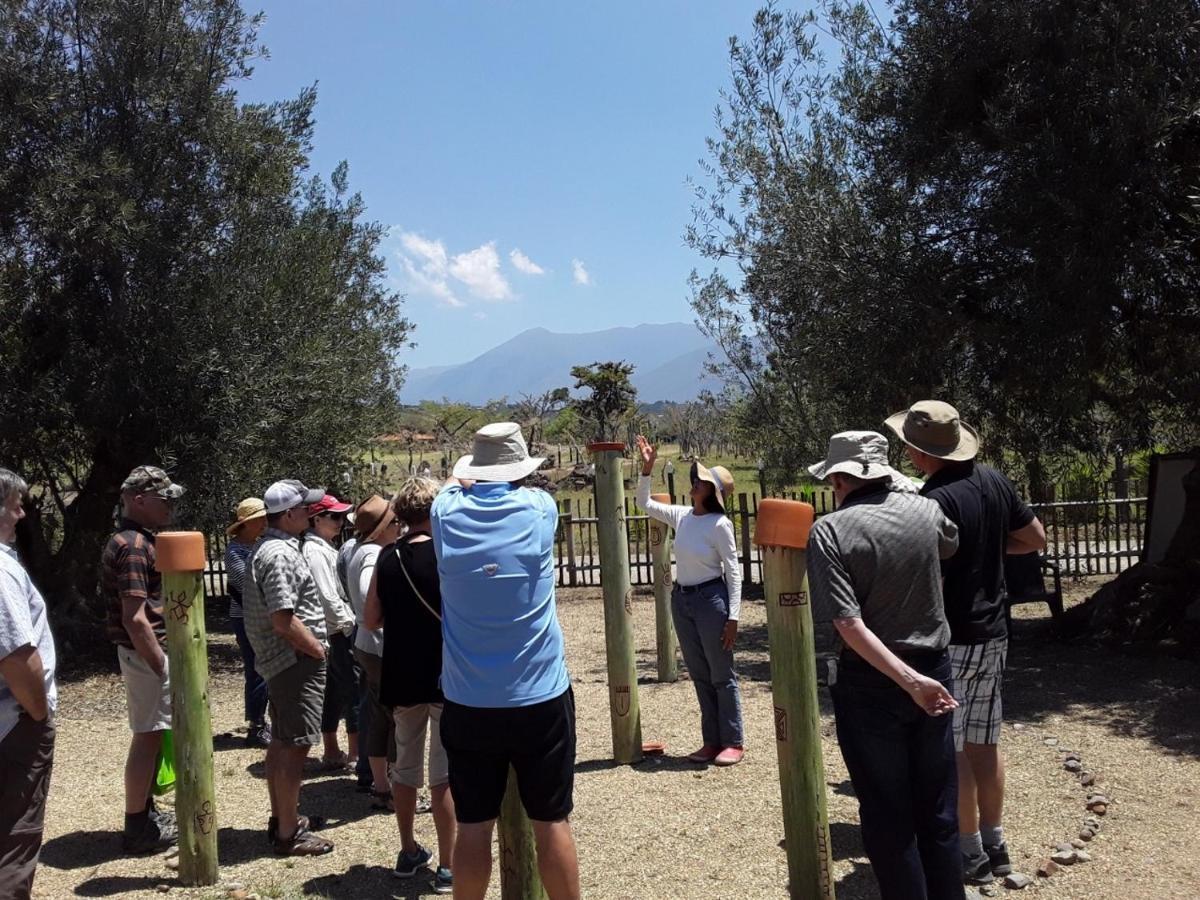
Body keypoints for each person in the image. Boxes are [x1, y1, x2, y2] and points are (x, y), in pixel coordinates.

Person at [886, 401, 1046, 884]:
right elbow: (1034, 537)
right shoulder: (995, 480)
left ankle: (969, 852)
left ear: (918, 452)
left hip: (949, 638)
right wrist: (990, 544)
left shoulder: (933, 499)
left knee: (950, 750)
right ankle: (997, 845)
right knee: (985, 740)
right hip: (994, 632)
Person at [806, 431, 964, 900]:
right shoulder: (926, 512)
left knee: (887, 814)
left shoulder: (830, 530)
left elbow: (847, 623)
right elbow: (949, 546)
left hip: (869, 682)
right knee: (937, 807)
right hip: (936, 670)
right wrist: (920, 679)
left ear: (837, 476)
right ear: (883, 471)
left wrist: (907, 682)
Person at [432, 422, 579, 900]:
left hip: (468, 699)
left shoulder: (444, 514)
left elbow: (451, 489)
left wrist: (463, 478)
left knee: (474, 826)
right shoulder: (540, 510)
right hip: (540, 692)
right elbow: (530, 491)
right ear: (521, 468)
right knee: (551, 820)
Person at [366, 477, 455, 891]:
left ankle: (408, 848)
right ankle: (449, 864)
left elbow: (371, 619)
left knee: (405, 769)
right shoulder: (448, 554)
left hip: (401, 674)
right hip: (444, 674)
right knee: (444, 774)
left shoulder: (387, 558)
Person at [634, 435, 745, 765]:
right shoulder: (683, 515)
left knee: (722, 675)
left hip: (712, 600)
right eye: (696, 479)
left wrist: (734, 617)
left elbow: (733, 571)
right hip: (682, 600)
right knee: (699, 673)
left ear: (713, 492)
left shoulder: (720, 524)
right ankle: (712, 741)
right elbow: (644, 504)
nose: (694, 483)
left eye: (701, 482)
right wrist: (647, 468)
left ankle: (733, 741)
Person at [242, 479, 334, 856]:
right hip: (294, 661)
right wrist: (316, 650)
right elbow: (283, 619)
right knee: (295, 747)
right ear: (290, 514)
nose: (311, 513)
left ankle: (285, 819)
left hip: (283, 661)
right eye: (306, 508)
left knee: (282, 742)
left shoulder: (269, 548)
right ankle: (287, 833)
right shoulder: (279, 553)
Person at [101, 465, 183, 853]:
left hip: (143, 654)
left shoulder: (136, 539)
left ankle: (144, 814)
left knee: (150, 734)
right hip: (144, 655)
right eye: (162, 497)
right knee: (148, 736)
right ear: (138, 500)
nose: (169, 504)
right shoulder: (134, 545)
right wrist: (162, 666)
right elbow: (135, 618)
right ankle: (137, 827)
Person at [0, 469, 57, 899]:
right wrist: (37, 711)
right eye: (16, 504)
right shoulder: (1, 570)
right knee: (14, 834)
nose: (22, 513)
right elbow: (18, 656)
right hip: (12, 722)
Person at [347, 495, 402, 810]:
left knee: (380, 716)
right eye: (394, 522)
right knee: (396, 717)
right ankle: (394, 785)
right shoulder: (373, 556)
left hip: (367, 643)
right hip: (379, 644)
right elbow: (373, 597)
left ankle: (383, 785)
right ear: (381, 528)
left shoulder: (361, 551)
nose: (398, 527)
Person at [301, 494, 359, 771]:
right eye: (334, 516)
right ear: (315, 519)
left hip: (334, 629)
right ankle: (355, 754)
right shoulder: (315, 552)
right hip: (337, 630)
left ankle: (334, 749)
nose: (341, 522)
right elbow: (327, 596)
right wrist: (350, 623)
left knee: (335, 691)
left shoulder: (323, 548)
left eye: (341, 516)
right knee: (354, 689)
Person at [225, 498, 270, 748]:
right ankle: (256, 725)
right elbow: (248, 586)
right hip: (245, 617)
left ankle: (261, 720)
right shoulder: (234, 552)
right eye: (259, 519)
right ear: (246, 523)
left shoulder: (257, 546)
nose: (264, 522)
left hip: (259, 616)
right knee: (256, 670)